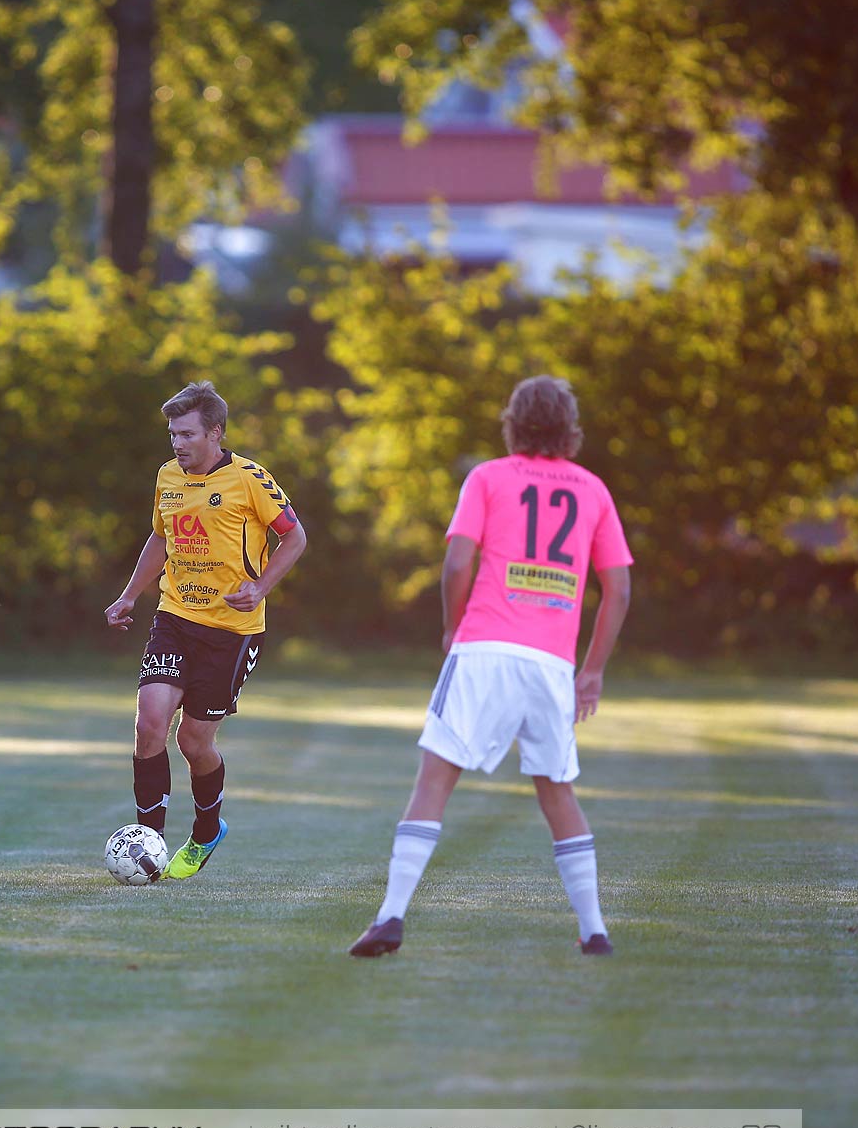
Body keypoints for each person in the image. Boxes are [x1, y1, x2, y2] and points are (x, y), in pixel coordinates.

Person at [349, 375, 632, 958]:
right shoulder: (593, 490)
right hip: (552, 662)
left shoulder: (488, 477)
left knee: (434, 782)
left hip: (485, 649)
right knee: (557, 791)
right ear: (569, 428)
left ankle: (391, 917)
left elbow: (457, 563)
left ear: (513, 423)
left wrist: (454, 626)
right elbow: (619, 589)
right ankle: (594, 929)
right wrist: (593, 669)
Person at [104, 381, 307, 879]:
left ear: (215, 433)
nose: (177, 443)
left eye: (187, 433)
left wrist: (260, 589)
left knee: (193, 741)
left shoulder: (249, 479)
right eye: (173, 433)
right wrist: (130, 593)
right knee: (150, 723)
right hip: (174, 616)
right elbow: (161, 536)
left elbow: (295, 536)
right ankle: (146, 844)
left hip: (231, 631)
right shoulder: (167, 476)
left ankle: (206, 831)